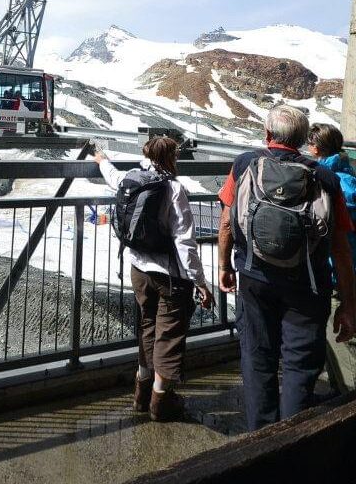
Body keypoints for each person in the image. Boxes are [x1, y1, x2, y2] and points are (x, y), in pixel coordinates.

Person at [218, 105, 356, 431]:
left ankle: (259, 443)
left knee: (258, 359)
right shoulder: (325, 178)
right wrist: (349, 303)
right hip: (307, 286)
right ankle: (290, 442)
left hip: (254, 278)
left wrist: (225, 265)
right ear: (302, 140)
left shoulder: (244, 164)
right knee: (299, 366)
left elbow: (226, 223)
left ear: (268, 135)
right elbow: (340, 247)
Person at [94, 135, 214, 422]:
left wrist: (100, 160)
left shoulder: (131, 178)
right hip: (169, 275)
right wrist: (199, 282)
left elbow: (112, 176)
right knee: (169, 334)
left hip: (138, 268)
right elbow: (184, 242)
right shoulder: (173, 188)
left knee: (147, 325)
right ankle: (161, 402)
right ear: (171, 158)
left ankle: (141, 393)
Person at [308, 123, 356, 267]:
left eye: (309, 143)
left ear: (315, 149)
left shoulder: (327, 180)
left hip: (336, 262)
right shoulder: (348, 175)